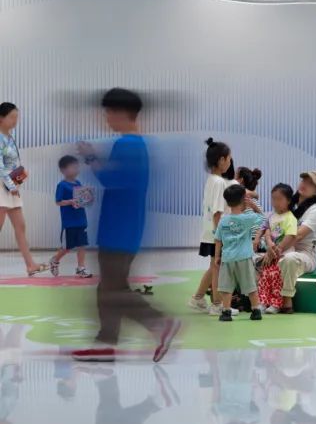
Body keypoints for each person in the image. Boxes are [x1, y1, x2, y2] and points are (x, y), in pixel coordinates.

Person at [72, 88, 180, 363]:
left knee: (112, 292)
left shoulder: (128, 145)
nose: (106, 118)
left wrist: (91, 157)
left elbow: (110, 179)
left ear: (121, 113)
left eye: (108, 112)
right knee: (110, 287)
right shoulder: (135, 145)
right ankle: (106, 344)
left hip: (118, 228)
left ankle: (160, 323)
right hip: (124, 227)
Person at [0, 103, 45, 276]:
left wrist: (18, 178)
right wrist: (11, 185)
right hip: (3, 186)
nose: (15, 120)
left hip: (11, 186)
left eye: (17, 117)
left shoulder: (10, 137)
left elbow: (13, 164)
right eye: (12, 117)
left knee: (20, 226)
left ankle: (30, 265)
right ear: (1, 118)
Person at [190, 138, 233, 314]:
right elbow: (217, 212)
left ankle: (198, 298)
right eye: (229, 159)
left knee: (214, 267)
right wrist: (220, 238)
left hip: (209, 232)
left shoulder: (211, 180)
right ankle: (217, 304)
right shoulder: (220, 182)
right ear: (221, 160)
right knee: (218, 268)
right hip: (216, 234)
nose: (230, 162)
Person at [214, 184, 265, 322]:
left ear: (227, 202)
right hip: (244, 258)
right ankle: (256, 310)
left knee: (226, 287)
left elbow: (218, 239)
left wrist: (217, 256)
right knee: (250, 285)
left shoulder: (223, 220)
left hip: (227, 258)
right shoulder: (247, 218)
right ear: (244, 200)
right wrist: (253, 207)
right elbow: (263, 219)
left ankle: (226, 312)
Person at [278, 171, 316, 314]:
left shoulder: (315, 211)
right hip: (284, 248)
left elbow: (297, 235)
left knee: (289, 259)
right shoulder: (289, 206)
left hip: (305, 254)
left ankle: (286, 299)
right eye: (304, 181)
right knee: (251, 257)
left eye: (310, 184)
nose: (304, 184)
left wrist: (277, 249)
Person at [49, 155, 93, 278]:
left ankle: (81, 268)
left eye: (77, 167)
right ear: (63, 170)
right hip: (69, 222)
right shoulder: (62, 185)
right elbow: (58, 202)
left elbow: (81, 199)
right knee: (67, 247)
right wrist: (70, 201)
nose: (76, 170)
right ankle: (55, 260)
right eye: (73, 167)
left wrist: (86, 199)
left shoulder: (78, 183)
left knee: (82, 245)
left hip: (81, 220)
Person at [257, 183, 297, 314]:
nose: (275, 202)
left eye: (279, 199)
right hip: (271, 254)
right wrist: (269, 244)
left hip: (282, 254)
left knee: (276, 278)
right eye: (273, 198)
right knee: (264, 276)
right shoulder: (271, 216)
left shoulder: (290, 217)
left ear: (288, 200)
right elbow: (267, 231)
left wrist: (277, 250)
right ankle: (263, 302)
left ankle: (276, 303)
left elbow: (291, 236)